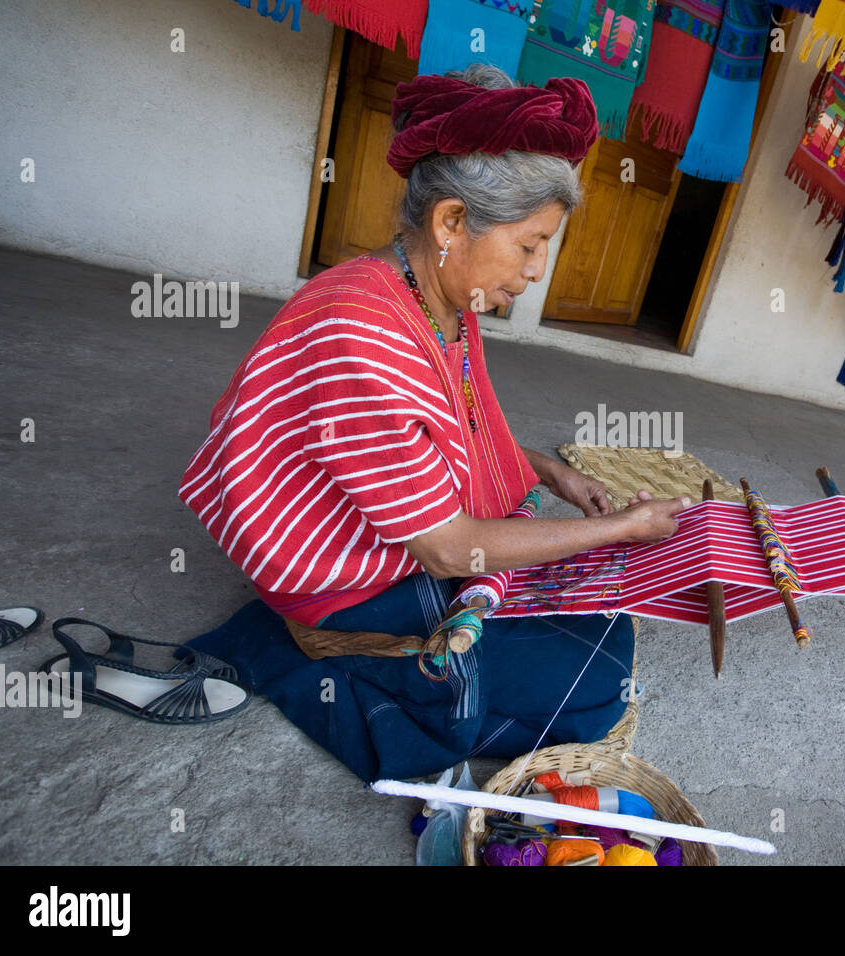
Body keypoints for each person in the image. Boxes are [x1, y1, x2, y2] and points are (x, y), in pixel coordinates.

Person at [180, 64, 689, 783]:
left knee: (599, 616)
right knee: (595, 684)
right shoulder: (362, 331)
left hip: (395, 534)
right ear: (452, 221)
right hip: (346, 577)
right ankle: (319, 653)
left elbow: (451, 426)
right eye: (530, 242)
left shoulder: (434, 296)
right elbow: (452, 550)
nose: (538, 269)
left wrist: (549, 469)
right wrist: (624, 528)